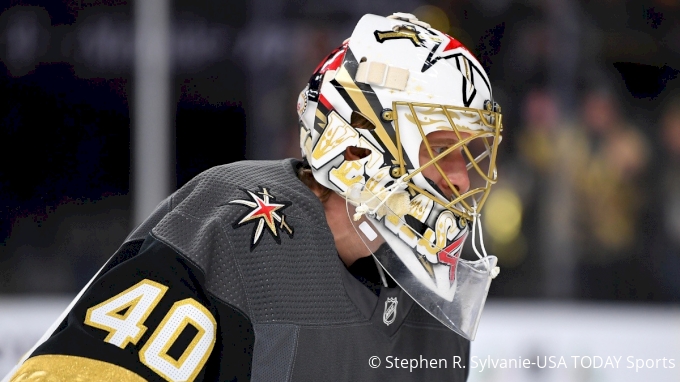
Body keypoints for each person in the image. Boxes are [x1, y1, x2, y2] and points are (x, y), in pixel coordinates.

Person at [4, 12, 502, 382]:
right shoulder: (233, 224)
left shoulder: (436, 307)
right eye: (443, 149)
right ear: (357, 143)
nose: (463, 179)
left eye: (474, 154)